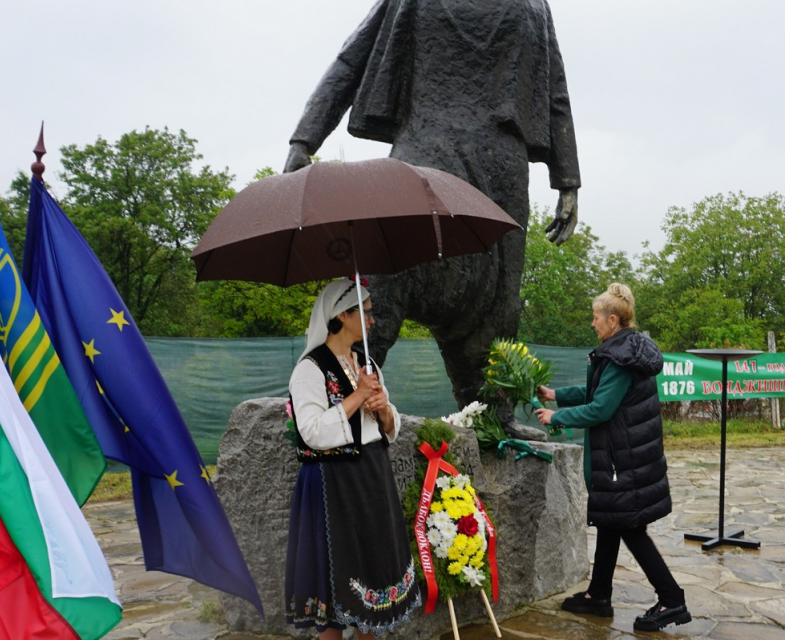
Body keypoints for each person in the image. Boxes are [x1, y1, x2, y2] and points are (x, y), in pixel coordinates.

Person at [284, 0, 581, 409]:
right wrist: (304, 139)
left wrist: (568, 180)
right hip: (427, 147)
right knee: (385, 278)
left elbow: (555, 88)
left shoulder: (534, 3)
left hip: (501, 168)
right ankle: (338, 403)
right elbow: (354, 57)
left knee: (496, 306)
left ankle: (491, 422)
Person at [534, 283, 691, 632]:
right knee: (610, 521)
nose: (592, 324)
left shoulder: (620, 358)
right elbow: (595, 392)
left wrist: (555, 417)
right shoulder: (621, 351)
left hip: (625, 461)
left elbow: (601, 408)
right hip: (625, 457)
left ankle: (672, 600)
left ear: (613, 320)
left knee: (630, 528)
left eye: (596, 318)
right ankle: (599, 596)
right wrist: (556, 395)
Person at [285, 278, 421, 639]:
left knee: (372, 576)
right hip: (333, 484)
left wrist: (383, 410)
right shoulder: (309, 369)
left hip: (372, 475)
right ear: (343, 315)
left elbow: (388, 423)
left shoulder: (367, 362)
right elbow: (310, 431)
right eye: (366, 312)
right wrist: (358, 397)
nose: (373, 320)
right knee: (335, 582)